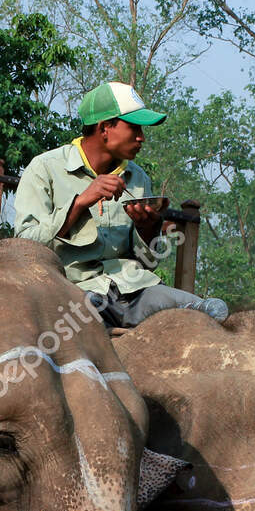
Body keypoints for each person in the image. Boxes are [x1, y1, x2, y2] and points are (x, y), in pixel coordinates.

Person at [15, 82, 228, 327]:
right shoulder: (45, 168)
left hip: (134, 290)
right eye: (134, 127)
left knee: (210, 311)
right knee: (84, 314)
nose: (142, 137)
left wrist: (148, 229)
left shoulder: (138, 179)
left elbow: (144, 260)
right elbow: (24, 247)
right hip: (71, 289)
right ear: (105, 127)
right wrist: (81, 202)